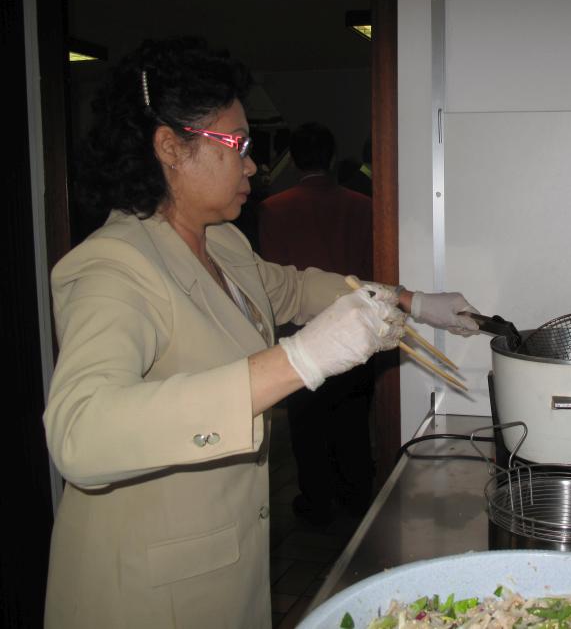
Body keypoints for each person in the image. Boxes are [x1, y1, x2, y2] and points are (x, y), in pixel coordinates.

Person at [42, 36, 479, 629]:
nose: (251, 165)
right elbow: (80, 434)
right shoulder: (112, 266)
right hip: (144, 596)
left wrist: (413, 302)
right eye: (237, 145)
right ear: (170, 147)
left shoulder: (221, 243)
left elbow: (295, 289)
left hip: (227, 569)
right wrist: (299, 359)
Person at [258, 121, 375, 522]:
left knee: (308, 426)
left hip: (302, 334)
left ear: (293, 160)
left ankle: (317, 502)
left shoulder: (274, 208)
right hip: (357, 328)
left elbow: (274, 277)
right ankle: (357, 498)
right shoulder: (362, 205)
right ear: (331, 156)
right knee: (353, 422)